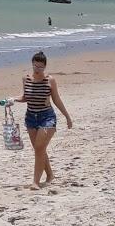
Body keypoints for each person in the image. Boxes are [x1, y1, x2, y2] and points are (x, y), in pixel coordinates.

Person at [17, 52, 73, 189]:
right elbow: (25, 97)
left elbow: (56, 99)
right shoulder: (26, 78)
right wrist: (12, 100)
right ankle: (50, 175)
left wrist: (67, 116)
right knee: (39, 149)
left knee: (39, 148)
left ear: (45, 67)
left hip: (47, 117)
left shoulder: (50, 80)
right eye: (35, 66)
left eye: (41, 68)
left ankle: (35, 182)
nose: (37, 69)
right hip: (30, 117)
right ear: (32, 64)